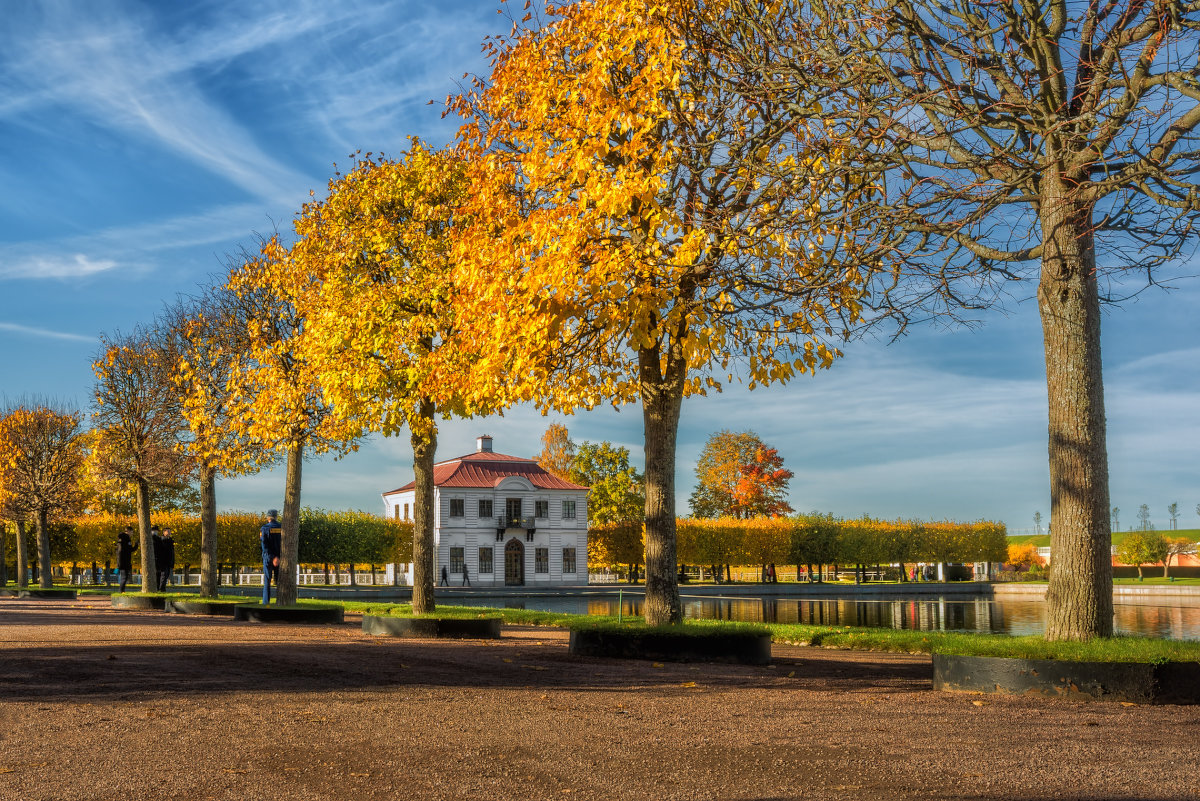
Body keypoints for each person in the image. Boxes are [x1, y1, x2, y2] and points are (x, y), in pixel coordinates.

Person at [260, 510, 282, 605]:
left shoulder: (264, 528)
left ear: (268, 517)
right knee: (280, 581)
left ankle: (266, 602)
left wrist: (272, 557)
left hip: (268, 557)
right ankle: (281, 601)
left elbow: (264, 545)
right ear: (276, 517)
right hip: (280, 558)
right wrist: (277, 557)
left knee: (267, 581)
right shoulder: (282, 527)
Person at [116, 528, 136, 592]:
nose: (132, 534)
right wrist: (136, 545)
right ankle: (121, 591)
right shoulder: (126, 539)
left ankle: (122, 590)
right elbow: (130, 549)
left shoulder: (121, 540)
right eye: (132, 532)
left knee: (123, 577)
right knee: (124, 577)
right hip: (125, 561)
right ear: (128, 531)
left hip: (121, 561)